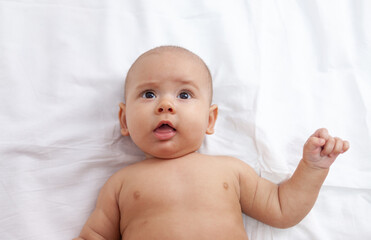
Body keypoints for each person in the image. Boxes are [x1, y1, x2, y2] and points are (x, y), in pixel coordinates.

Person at [74, 46, 350, 240]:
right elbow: (94, 235)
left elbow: (282, 209)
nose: (165, 105)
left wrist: (312, 169)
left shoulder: (230, 171)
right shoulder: (120, 183)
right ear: (124, 120)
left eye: (184, 95)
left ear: (210, 119)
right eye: (148, 94)